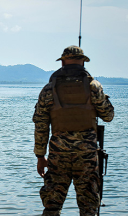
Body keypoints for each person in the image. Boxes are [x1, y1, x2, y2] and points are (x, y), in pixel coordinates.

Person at [33, 46, 114, 216]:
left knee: (52, 206)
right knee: (89, 208)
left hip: (58, 156)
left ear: (62, 62)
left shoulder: (49, 89)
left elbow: (41, 125)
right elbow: (108, 116)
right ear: (83, 61)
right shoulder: (93, 87)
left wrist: (40, 157)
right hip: (87, 157)